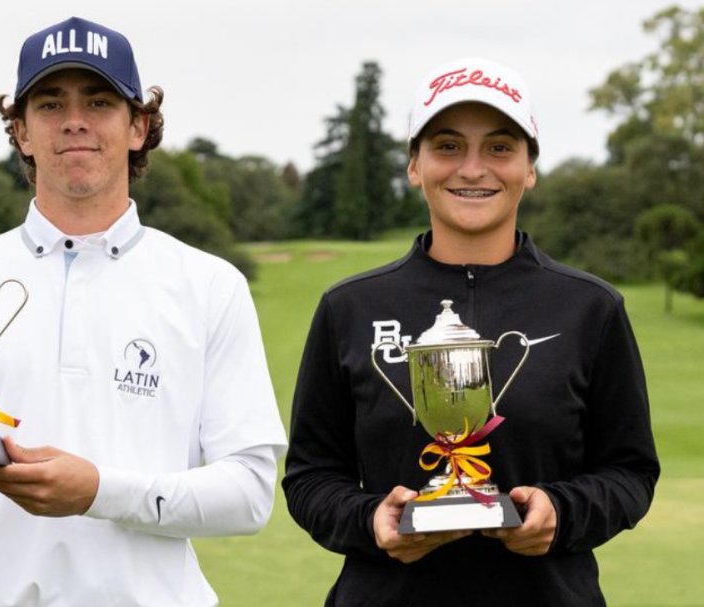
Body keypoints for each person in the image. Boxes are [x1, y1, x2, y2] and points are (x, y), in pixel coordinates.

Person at [0, 16, 287, 607]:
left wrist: (99, 492)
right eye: (51, 103)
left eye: (100, 101)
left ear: (138, 126)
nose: (75, 120)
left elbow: (248, 496)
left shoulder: (210, 284)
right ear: (22, 131)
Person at [282, 57, 659, 607]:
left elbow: (630, 473)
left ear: (530, 168)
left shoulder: (590, 307)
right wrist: (371, 521)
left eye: (501, 147)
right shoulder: (349, 306)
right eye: (448, 146)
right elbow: (311, 477)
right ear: (415, 165)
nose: (473, 168)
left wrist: (563, 512)